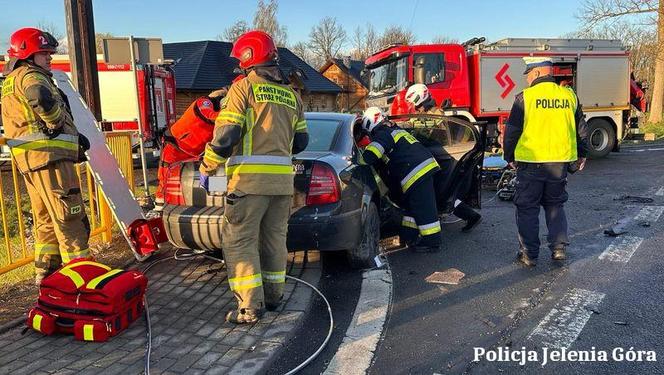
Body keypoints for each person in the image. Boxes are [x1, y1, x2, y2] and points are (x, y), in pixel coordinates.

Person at [199, 30, 309, 324]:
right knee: (274, 241)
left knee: (240, 241)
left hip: (247, 185)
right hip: (282, 186)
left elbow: (226, 136)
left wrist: (207, 167)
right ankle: (273, 299)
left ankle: (248, 308)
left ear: (248, 57)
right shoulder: (292, 96)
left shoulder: (242, 89)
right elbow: (301, 143)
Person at [1, 27, 90, 284]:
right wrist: (55, 123)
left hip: (31, 162)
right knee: (70, 215)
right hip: (50, 159)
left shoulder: (11, 80)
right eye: (45, 53)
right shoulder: (31, 76)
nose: (50, 57)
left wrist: (74, 139)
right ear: (28, 54)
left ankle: (48, 276)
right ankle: (82, 277)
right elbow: (40, 97)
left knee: (46, 220)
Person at [503, 57, 589, 267]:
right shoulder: (569, 96)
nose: (526, 79)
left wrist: (509, 157)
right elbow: (581, 129)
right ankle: (558, 249)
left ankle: (529, 254)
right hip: (560, 163)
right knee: (555, 205)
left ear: (538, 73)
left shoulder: (526, 97)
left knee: (527, 208)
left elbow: (512, 132)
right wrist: (582, 154)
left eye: (528, 74)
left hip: (530, 163)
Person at [360, 106, 442, 253]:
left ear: (371, 125)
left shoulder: (382, 133)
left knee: (424, 208)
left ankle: (432, 242)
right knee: (412, 207)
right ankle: (409, 236)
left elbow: (371, 155)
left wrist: (360, 158)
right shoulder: (395, 130)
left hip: (417, 172)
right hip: (422, 168)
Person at [404, 83, 483, 233]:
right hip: (430, 157)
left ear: (419, 99)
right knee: (443, 195)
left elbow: (431, 135)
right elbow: (413, 127)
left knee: (438, 194)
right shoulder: (422, 114)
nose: (412, 106)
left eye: (412, 102)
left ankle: (467, 217)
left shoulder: (436, 114)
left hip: (437, 158)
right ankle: (471, 216)